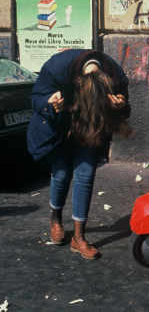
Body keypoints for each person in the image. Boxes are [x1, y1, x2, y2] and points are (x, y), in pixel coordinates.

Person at [27, 49, 131, 260]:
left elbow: (125, 106)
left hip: (91, 127)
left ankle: (78, 237)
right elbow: (36, 98)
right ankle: (55, 219)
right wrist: (50, 102)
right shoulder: (57, 67)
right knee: (62, 174)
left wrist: (119, 105)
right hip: (61, 127)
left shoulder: (115, 74)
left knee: (86, 174)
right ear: (77, 81)